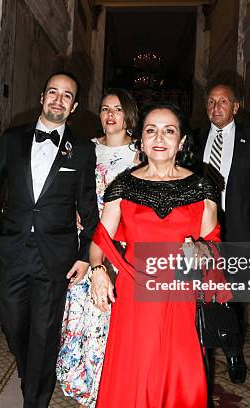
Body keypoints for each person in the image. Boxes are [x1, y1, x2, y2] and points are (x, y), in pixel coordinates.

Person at [89, 103, 231, 407]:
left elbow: (214, 246)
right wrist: (98, 271)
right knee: (135, 372)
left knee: (181, 371)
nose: (159, 138)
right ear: (141, 139)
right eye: (151, 130)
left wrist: (201, 251)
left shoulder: (201, 188)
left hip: (181, 296)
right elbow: (100, 239)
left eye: (169, 131)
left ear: (181, 142)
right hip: (134, 296)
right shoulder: (123, 186)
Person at [0, 72, 98, 408]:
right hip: (13, 247)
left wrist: (86, 254)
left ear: (74, 106)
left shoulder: (83, 150)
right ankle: (30, 370)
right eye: (53, 92)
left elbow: (88, 206)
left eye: (67, 96)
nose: (58, 100)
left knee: (44, 334)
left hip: (56, 254)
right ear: (42, 96)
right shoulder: (12, 138)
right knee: (12, 323)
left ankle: (35, 398)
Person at [57, 88, 139, 408]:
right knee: (82, 309)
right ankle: (85, 380)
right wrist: (74, 211)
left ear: (128, 114)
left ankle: (109, 382)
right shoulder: (87, 148)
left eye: (117, 110)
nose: (110, 115)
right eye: (105, 109)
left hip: (121, 242)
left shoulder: (139, 153)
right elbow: (70, 188)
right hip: (87, 239)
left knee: (109, 314)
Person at [195, 82, 250, 384]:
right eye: (211, 101)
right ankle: (198, 349)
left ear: (235, 107)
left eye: (223, 102)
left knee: (234, 296)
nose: (216, 107)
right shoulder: (195, 137)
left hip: (239, 234)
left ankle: (233, 351)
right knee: (200, 295)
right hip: (201, 234)